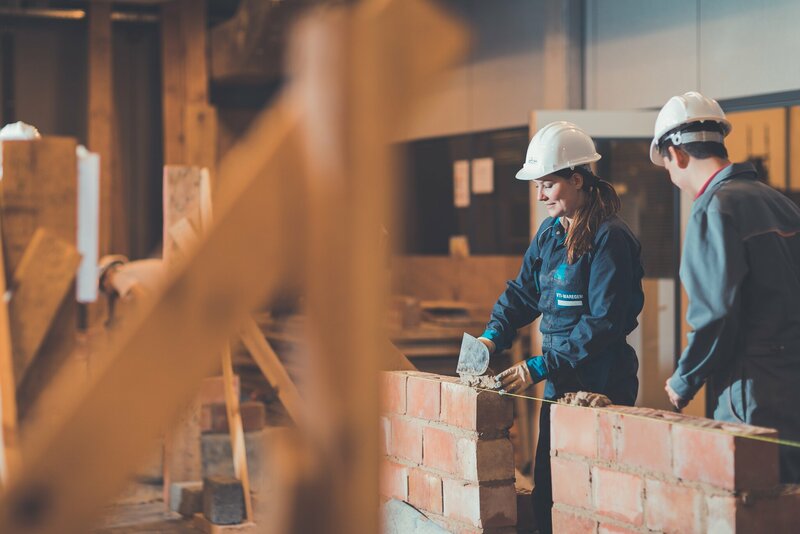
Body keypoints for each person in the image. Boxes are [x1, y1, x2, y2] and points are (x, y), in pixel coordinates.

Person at [477, 121, 644, 533]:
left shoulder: (611, 238)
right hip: (560, 380)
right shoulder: (551, 234)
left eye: (548, 185)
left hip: (604, 383)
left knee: (594, 496)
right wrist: (491, 336)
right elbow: (522, 293)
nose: (540, 196)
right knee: (549, 490)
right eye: (537, 185)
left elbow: (602, 322)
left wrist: (537, 366)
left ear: (576, 179)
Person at [652, 91, 800, 483]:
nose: (671, 176)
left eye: (667, 165)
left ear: (677, 154)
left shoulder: (714, 208)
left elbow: (715, 314)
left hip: (749, 391)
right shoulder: (780, 203)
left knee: (753, 503)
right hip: (792, 379)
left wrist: (685, 379)